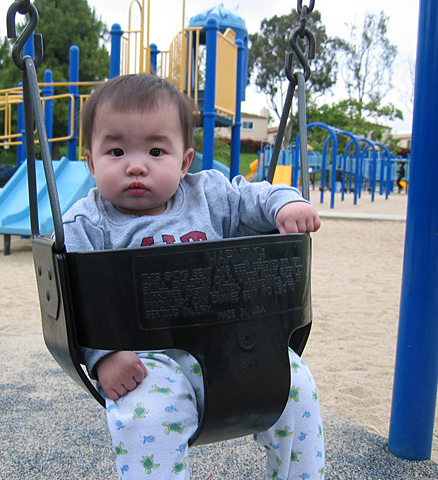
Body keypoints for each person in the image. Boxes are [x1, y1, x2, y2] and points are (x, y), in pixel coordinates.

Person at [61, 74, 324, 480]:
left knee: (297, 387)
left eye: (155, 150)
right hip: (144, 361)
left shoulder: (210, 194)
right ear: (92, 162)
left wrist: (284, 204)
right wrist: (103, 357)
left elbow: (255, 195)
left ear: (184, 162)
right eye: (115, 151)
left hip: (233, 348)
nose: (135, 165)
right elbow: (75, 297)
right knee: (144, 419)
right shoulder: (86, 223)